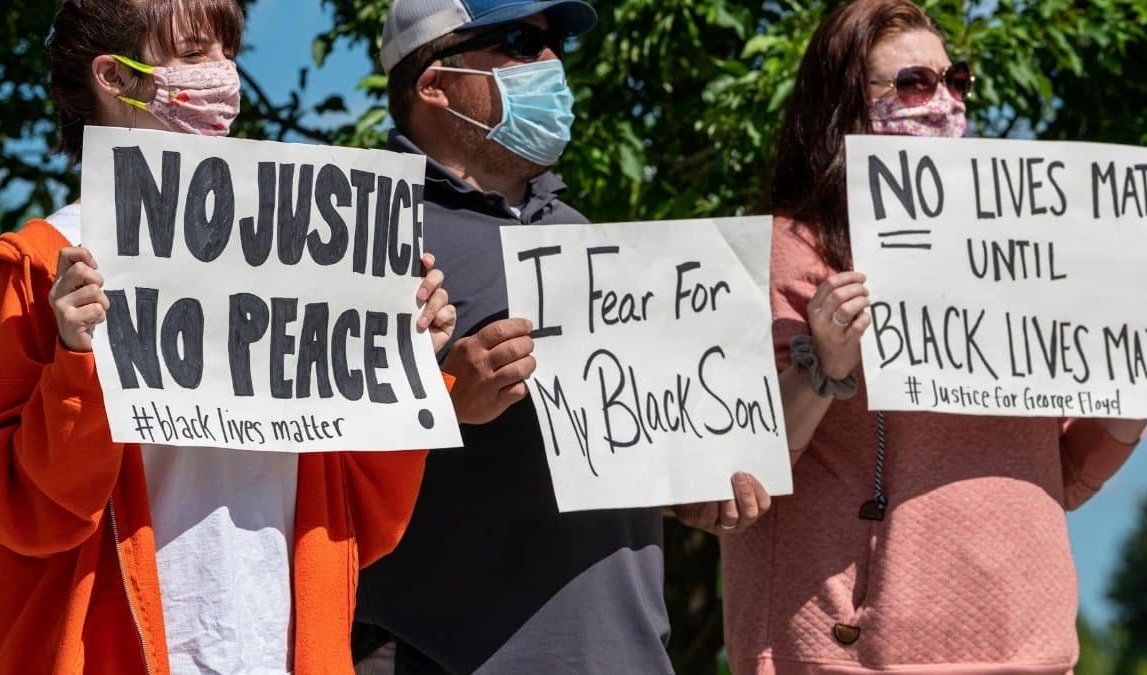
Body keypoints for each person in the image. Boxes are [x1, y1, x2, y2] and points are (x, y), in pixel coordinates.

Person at [0, 1, 456, 672]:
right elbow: (25, 516)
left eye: (228, 52)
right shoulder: (37, 267)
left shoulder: (307, 257)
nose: (223, 74)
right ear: (116, 76)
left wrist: (405, 363)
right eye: (196, 55)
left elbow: (362, 523)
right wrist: (75, 362)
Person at [720, 1, 1145, 672]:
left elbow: (1063, 474)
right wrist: (823, 366)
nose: (943, 102)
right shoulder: (785, 252)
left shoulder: (1027, 259)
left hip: (1028, 653)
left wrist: (1133, 386)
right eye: (914, 83)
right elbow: (730, 477)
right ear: (841, 108)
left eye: (957, 81)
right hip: (847, 658)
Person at [354, 1, 771, 673]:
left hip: (622, 655)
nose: (549, 64)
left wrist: (692, 484)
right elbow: (308, 455)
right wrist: (447, 396)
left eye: (554, 46)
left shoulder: (585, 236)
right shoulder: (361, 225)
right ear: (433, 82)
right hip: (433, 656)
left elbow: (610, 451)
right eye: (519, 41)